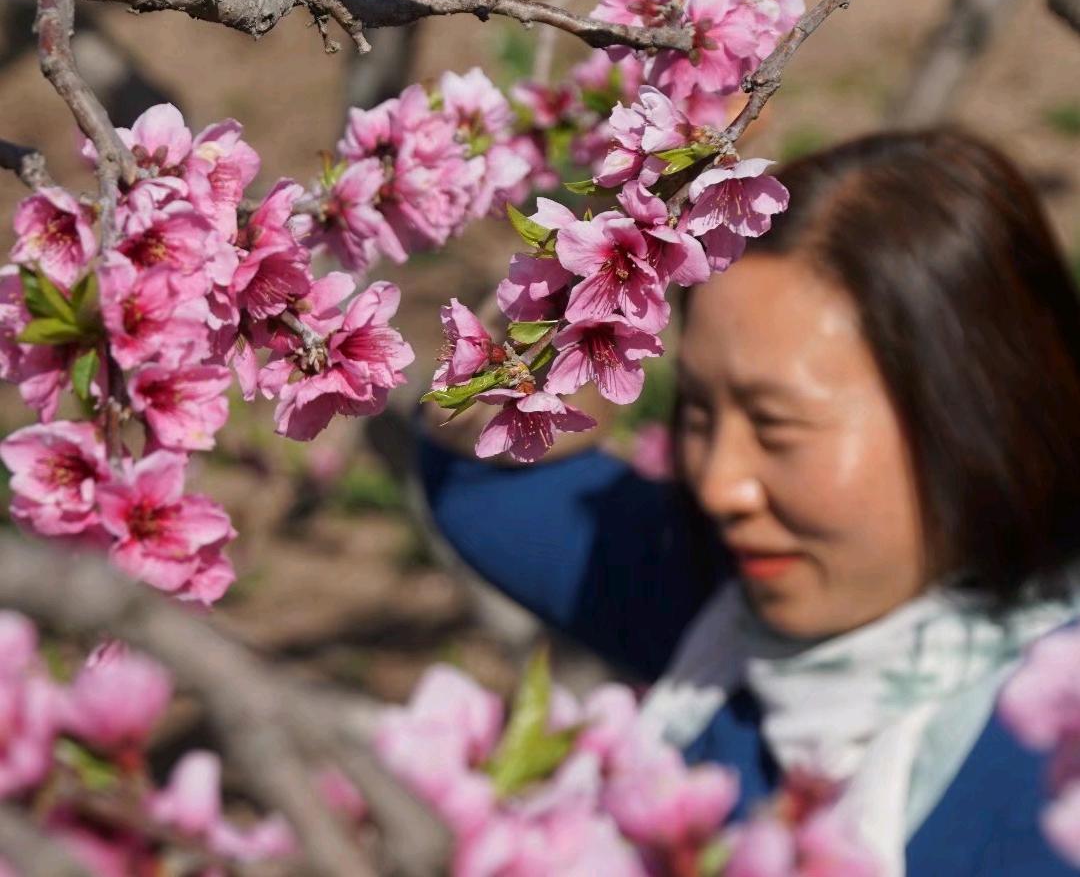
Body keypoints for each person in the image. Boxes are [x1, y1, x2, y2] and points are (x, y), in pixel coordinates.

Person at [417, 131, 1080, 876]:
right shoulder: (712, 598)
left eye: (776, 426)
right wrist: (629, 230)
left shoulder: (1053, 737)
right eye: (698, 412)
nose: (717, 484)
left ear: (975, 417)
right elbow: (478, 471)